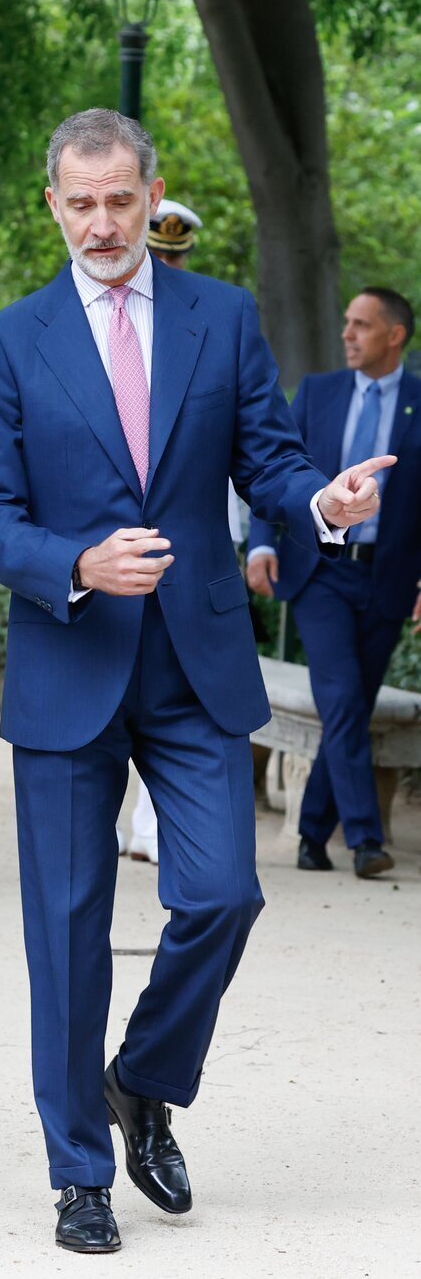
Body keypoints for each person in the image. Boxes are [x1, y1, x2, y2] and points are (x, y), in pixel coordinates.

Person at [0, 107, 392, 1255]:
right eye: (78, 201)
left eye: (119, 199)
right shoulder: (10, 340)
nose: (100, 222)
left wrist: (319, 503)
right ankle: (78, 1174)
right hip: (67, 664)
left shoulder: (221, 315)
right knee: (66, 930)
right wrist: (74, 565)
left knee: (222, 894)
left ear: (153, 194)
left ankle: (141, 1079)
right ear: (51, 204)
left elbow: (270, 457)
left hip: (195, 663)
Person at [247, 288, 420, 878]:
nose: (347, 333)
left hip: (388, 580)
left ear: (394, 335)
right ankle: (366, 840)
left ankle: (312, 835)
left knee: (349, 707)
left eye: (361, 325)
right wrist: (263, 542)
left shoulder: (420, 401)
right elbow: (272, 468)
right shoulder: (318, 392)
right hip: (320, 572)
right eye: (345, 322)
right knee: (343, 698)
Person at [128, 196, 244, 865]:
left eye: (175, 255)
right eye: (160, 250)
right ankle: (127, 820)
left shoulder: (217, 321)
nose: (168, 264)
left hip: (196, 553)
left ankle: (150, 824)